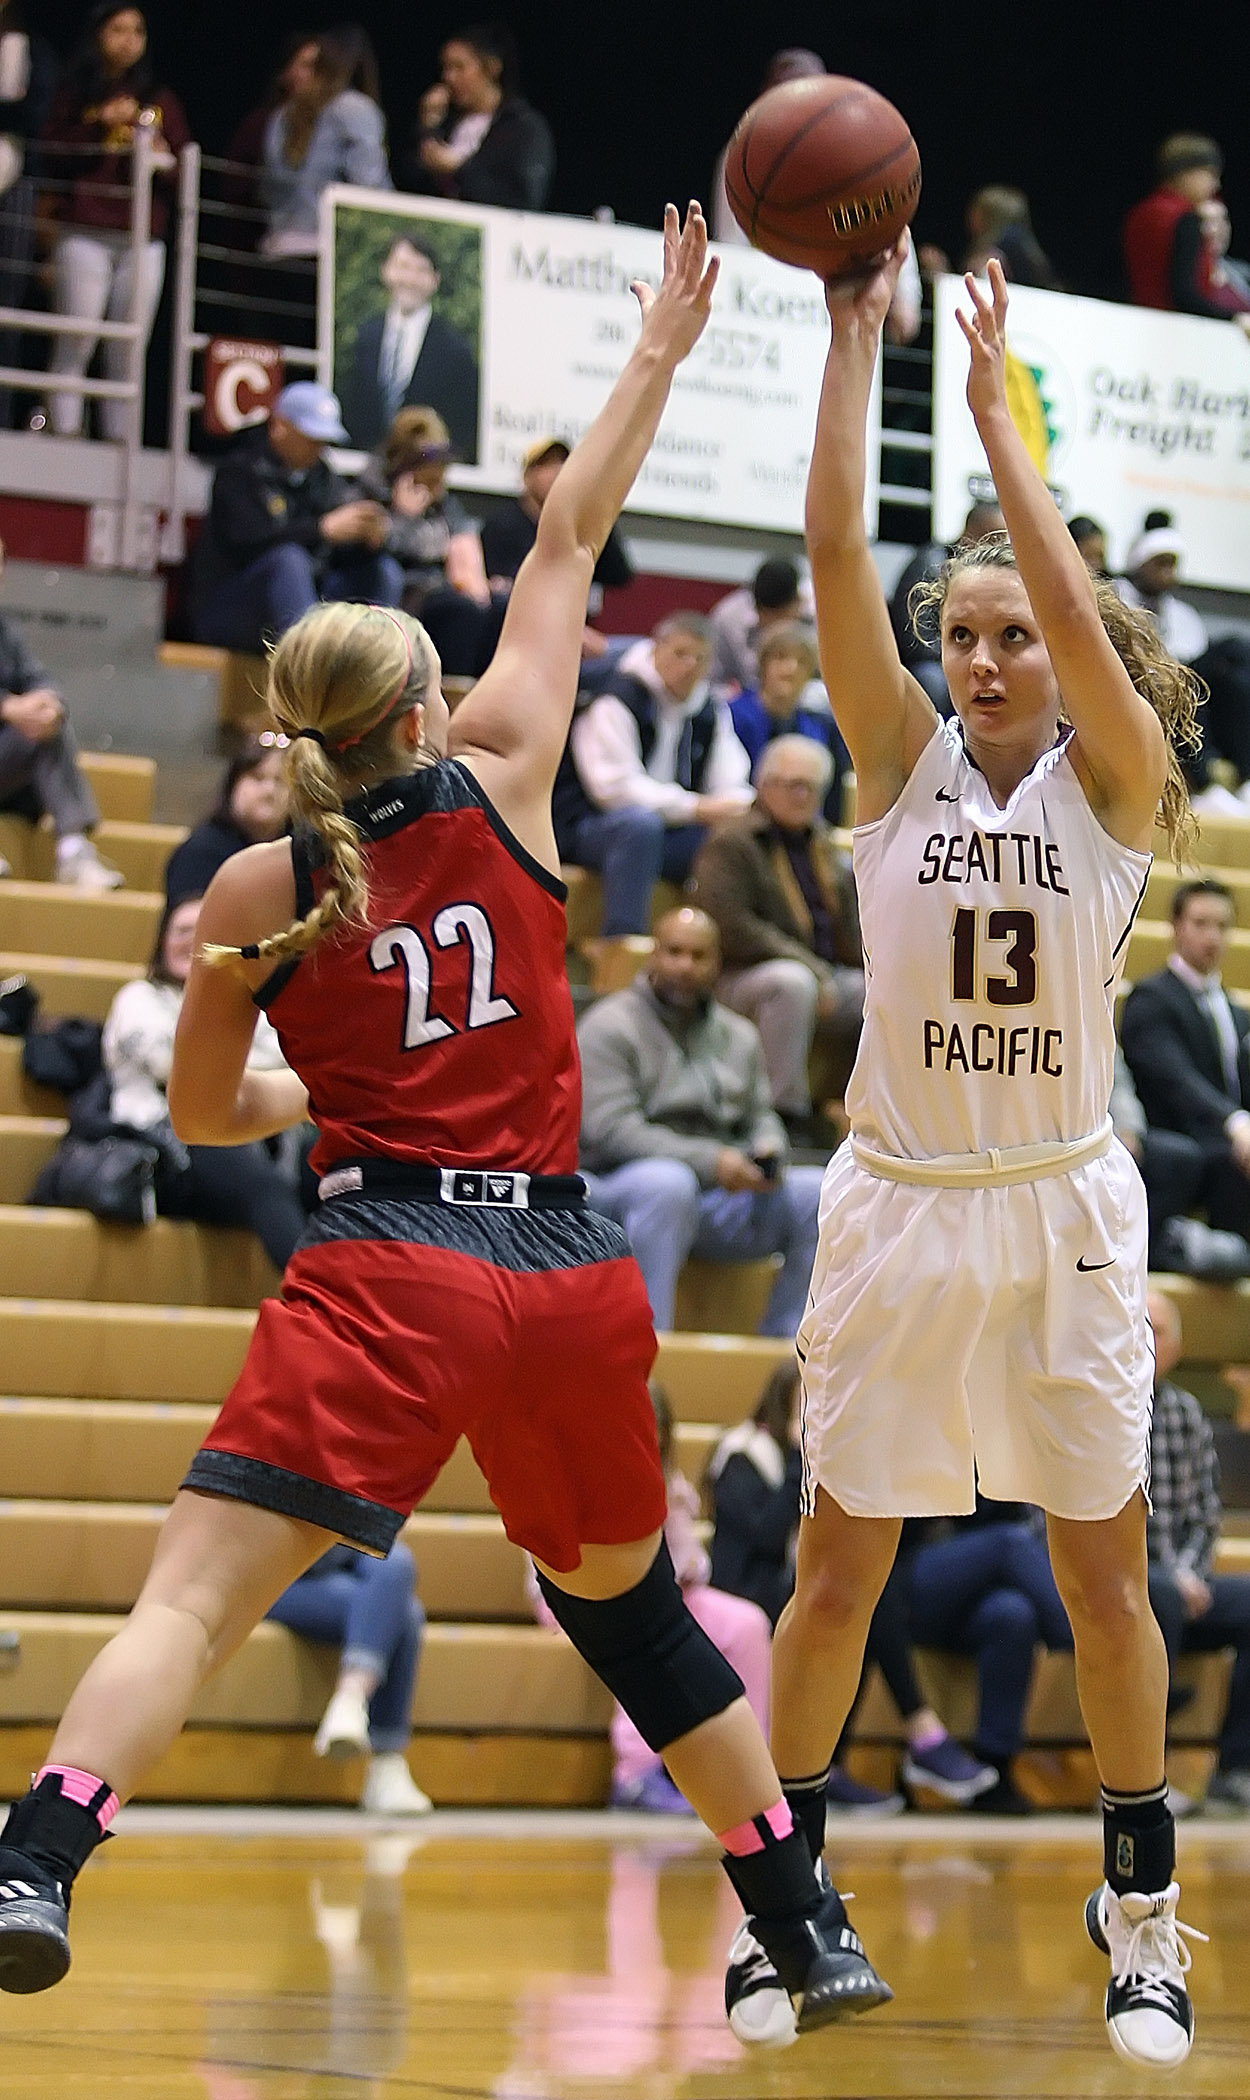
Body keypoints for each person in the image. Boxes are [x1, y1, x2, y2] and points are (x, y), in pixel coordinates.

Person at [0, 204, 888, 2037]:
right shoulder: (508, 782)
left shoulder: (252, 888)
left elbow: (204, 1116)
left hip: (392, 1253)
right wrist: (663, 336)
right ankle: (803, 1925)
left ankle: (35, 1862)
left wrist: (318, 1083)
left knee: (190, 1605)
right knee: (636, 1624)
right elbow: (567, 535)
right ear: (422, 701)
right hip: (563, 1268)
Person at [725, 250, 1206, 2068]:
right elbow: (840, 557)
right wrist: (857, 348)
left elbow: (1078, 613)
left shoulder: (1118, 783)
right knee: (836, 1566)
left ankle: (1143, 1914)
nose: (991, 659)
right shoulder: (894, 768)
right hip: (902, 1210)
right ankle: (786, 1913)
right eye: (968, 638)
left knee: (1103, 1575)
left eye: (1016, 636)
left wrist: (999, 418)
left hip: (1066, 1216)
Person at [708, 1363, 995, 1814]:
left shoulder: (798, 1460)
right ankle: (917, 1733)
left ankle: (833, 1764)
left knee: (859, 1606)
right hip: (743, 1594)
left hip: (790, 1590)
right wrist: (806, 1453)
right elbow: (763, 1536)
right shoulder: (742, 1453)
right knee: (849, 1605)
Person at [578, 905, 823, 1338]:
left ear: (718, 964)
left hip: (716, 1198)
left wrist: (767, 1150)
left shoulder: (739, 1035)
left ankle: (784, 1359)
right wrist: (713, 1161)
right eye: (673, 952)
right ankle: (650, 1354)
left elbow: (760, 1116)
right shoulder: (609, 1026)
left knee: (818, 1193)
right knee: (667, 1185)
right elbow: (612, 1131)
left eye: (698, 956)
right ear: (653, 954)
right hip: (620, 1189)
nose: (683, 966)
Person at [530, 1382, 773, 1814]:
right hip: (574, 1595)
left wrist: (675, 1525)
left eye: (654, 1433)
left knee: (748, 1623)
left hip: (663, 1594)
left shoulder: (667, 1480)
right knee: (635, 1625)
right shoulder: (570, 1471)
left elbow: (694, 1566)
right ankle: (634, 1774)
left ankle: (752, 1772)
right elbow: (550, 1561)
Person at [101, 894, 307, 1272]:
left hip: (249, 1143)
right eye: (180, 931)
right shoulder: (138, 998)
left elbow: (288, 1059)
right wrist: (235, 1064)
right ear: (162, 941)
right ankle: (318, 1299)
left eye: (202, 932)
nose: (190, 941)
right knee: (259, 1179)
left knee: (329, 1162)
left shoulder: (249, 1006)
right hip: (161, 1150)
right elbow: (169, 1064)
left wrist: (220, 1063)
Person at [690, 735, 863, 1138]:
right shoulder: (733, 841)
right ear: (764, 785)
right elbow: (731, 926)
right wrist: (809, 966)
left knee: (882, 992)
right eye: (791, 785)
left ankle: (857, 1108)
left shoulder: (823, 846)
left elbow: (851, 927)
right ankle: (783, 1114)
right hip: (738, 977)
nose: (801, 796)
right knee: (791, 984)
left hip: (822, 971)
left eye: (811, 787)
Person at [39, 3, 190, 441]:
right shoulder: (75, 92)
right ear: (97, 35)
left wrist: (159, 152)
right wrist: (98, 126)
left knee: (128, 348)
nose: (128, 40)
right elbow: (50, 152)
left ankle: (119, 442)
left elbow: (183, 169)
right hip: (84, 229)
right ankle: (64, 432)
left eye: (137, 31)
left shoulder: (160, 98)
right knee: (77, 337)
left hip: (143, 237)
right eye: (117, 29)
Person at [552, 612, 752, 937]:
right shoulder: (617, 698)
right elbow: (613, 790)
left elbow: (733, 780)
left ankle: (718, 949)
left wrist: (739, 808)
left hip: (670, 828)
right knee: (640, 827)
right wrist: (696, 808)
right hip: (591, 827)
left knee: (736, 838)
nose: (690, 666)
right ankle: (623, 942)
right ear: (656, 649)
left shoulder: (709, 710)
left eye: (700, 658)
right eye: (680, 654)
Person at [710, 48, 921, 345]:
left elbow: (889, 219)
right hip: (773, 316)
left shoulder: (856, 150)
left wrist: (905, 296)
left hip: (837, 306)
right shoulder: (744, 156)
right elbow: (732, 248)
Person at [189, 381, 401, 657]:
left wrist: (367, 540)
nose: (318, 448)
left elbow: (331, 556)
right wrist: (320, 530)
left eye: (324, 441)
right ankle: (307, 666)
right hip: (229, 609)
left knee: (383, 570)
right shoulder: (240, 471)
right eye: (310, 438)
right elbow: (247, 543)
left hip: (303, 604)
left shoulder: (323, 478)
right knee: (288, 561)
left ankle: (378, 665)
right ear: (279, 426)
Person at [1144, 1292, 1250, 1815]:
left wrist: (1186, 1571)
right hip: (1115, 1586)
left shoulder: (1186, 1413)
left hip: (1179, 1583)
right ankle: (1145, 1784)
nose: (1148, 1338)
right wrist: (1169, 1575)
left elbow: (1205, 1517)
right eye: (1138, 1324)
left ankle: (1236, 1771)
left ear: (1180, 1348)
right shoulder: (1094, 1409)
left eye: (1159, 1329)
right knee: (1157, 1592)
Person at [903, 1499, 1074, 1815]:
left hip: (971, 1582)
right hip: (905, 1574)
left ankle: (994, 1773)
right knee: (1010, 1542)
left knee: (1012, 1616)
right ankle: (1090, 1645)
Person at [1121, 881, 1250, 1250]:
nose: (1213, 936)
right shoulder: (1150, 999)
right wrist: (1235, 1123)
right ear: (1176, 926)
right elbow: (1176, 1080)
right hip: (1174, 1141)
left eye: (1222, 926)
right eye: (1201, 923)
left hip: (1223, 1144)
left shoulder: (1236, 1013)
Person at [266, 1541, 433, 1816]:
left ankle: (351, 1698)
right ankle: (385, 1760)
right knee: (404, 1613)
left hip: (336, 1562)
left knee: (396, 1563)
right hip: (271, 1578)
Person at [353, 406, 505, 677]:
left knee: (498, 606)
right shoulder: (370, 490)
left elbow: (462, 545)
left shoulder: (445, 503)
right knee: (460, 611)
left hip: (438, 589)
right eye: (430, 463)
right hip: (397, 589)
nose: (439, 475)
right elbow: (375, 544)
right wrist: (404, 516)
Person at [0, 557, 120, 888]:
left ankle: (73, 849)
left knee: (49, 727)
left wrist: (48, 705)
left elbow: (39, 678)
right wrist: (8, 707)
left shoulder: (4, 629)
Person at [337, 235, 480, 461]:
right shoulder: (365, 336)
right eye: (403, 266)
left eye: (421, 270)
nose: (410, 279)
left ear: (435, 280)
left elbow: (461, 427)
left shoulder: (455, 350)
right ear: (386, 271)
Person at [258, 24, 389, 262]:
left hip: (277, 249)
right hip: (327, 254)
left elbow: (267, 190)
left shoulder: (281, 114)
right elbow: (369, 185)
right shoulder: (354, 109)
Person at [402, 22, 554, 211]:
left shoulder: (523, 128)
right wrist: (426, 127)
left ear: (491, 68)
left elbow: (522, 197)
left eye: (459, 67)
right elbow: (409, 182)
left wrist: (459, 169)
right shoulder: (447, 123)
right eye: (445, 68)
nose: (448, 77)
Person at [480, 437, 633, 610]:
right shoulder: (503, 525)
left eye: (563, 464)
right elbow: (501, 589)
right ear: (527, 476)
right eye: (546, 464)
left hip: (573, 621)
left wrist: (598, 516)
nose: (557, 472)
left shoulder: (576, 526)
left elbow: (618, 575)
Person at [887, 501, 1006, 715]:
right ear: (971, 532)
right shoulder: (931, 563)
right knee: (932, 678)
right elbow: (917, 642)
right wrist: (961, 659)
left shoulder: (998, 577)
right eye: (993, 539)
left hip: (971, 658)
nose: (999, 548)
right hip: (931, 662)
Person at [1124, 134, 1250, 330]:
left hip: (1141, 324)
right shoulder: (1185, 219)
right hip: (1180, 331)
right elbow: (1184, 294)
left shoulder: (1139, 214)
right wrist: (1233, 318)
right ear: (1187, 173)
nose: (1215, 185)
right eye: (1210, 174)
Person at [725, 623, 847, 821]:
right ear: (763, 664)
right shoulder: (733, 715)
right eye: (781, 657)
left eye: (802, 662)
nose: (790, 669)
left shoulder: (818, 727)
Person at [163, 735, 290, 907]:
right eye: (257, 778)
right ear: (232, 785)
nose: (269, 791)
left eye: (280, 781)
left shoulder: (301, 851)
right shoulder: (200, 850)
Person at [708, 556, 805, 695]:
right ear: (756, 608)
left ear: (797, 604)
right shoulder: (728, 618)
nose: (775, 629)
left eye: (781, 617)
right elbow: (711, 682)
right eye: (768, 618)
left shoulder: (818, 619)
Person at [960, 185, 1062, 290]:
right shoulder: (1028, 248)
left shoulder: (1004, 249)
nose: (970, 215)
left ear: (990, 216)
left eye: (976, 210)